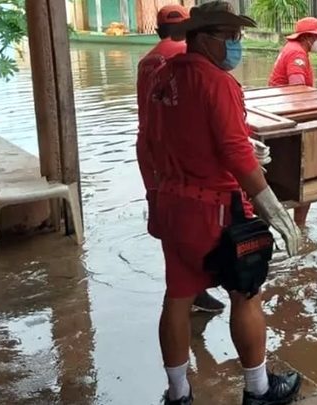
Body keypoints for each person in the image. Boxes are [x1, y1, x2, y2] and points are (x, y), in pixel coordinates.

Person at [140, 2, 302, 404]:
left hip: (172, 205)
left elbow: (156, 139)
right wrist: (275, 211)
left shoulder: (163, 77)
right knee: (246, 293)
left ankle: (178, 394)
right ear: (204, 38)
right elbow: (232, 152)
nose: (236, 44)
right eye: (230, 37)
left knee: (177, 297)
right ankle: (259, 390)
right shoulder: (217, 82)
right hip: (214, 209)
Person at [136, 4, 227, 314]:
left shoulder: (148, 61)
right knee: (198, 231)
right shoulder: (184, 59)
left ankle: (183, 288)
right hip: (184, 156)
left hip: (152, 151)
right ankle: (194, 291)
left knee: (168, 224)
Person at [268, 17, 317, 228]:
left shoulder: (292, 48)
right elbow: (299, 91)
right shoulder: (297, 53)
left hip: (279, 114)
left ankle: (294, 225)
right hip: (289, 118)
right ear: (307, 37)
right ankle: (299, 227)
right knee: (306, 174)